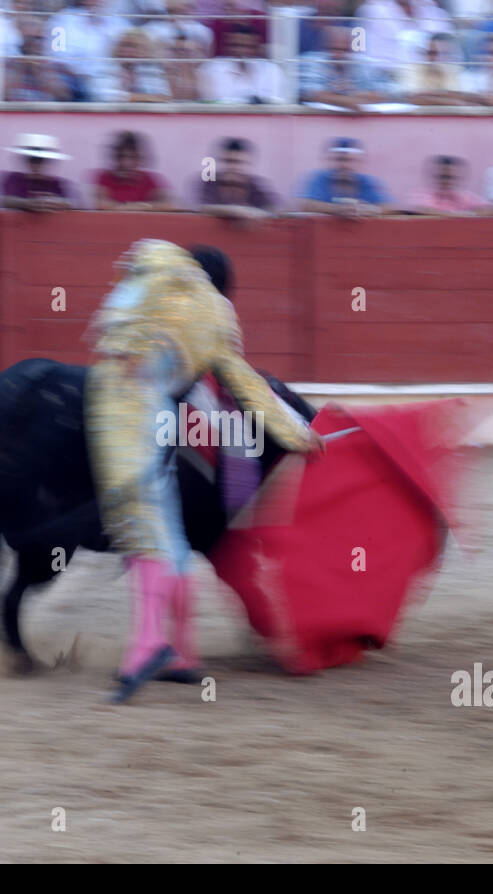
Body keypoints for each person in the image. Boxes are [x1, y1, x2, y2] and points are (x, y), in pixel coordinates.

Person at [83, 239, 323, 702]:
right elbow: (246, 385)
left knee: (146, 530)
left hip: (109, 407)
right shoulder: (213, 313)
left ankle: (166, 649)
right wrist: (297, 434)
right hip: (151, 419)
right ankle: (164, 648)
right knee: (165, 535)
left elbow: (110, 333)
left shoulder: (151, 284)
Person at [297, 137, 391, 217]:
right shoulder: (319, 178)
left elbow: (390, 207)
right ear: (330, 160)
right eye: (340, 160)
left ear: (359, 162)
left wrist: (374, 210)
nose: (345, 165)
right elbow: (302, 204)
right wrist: (339, 209)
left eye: (350, 160)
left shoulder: (366, 181)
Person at [92, 130, 174, 210]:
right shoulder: (104, 178)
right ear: (115, 157)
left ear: (140, 158)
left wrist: (124, 207)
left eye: (132, 157)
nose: (126, 163)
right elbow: (100, 205)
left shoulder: (149, 179)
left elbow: (168, 205)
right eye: (121, 156)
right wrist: (144, 206)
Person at [0, 133, 76, 211]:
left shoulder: (57, 183)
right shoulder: (14, 179)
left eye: (40, 161)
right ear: (26, 161)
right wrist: (28, 203)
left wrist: (60, 203)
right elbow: (5, 201)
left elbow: (73, 203)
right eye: (33, 160)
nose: (36, 165)